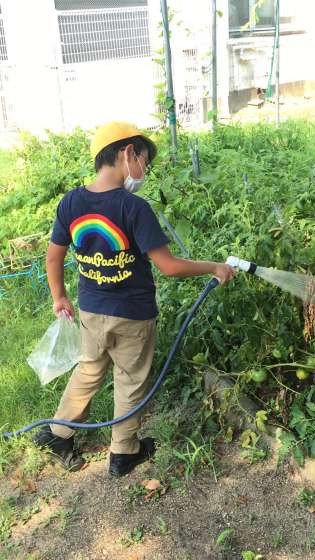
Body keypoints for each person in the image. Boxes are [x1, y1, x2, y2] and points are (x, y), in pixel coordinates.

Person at [33, 121, 235, 476]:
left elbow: (53, 257)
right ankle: (124, 452)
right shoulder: (133, 207)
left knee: (88, 369)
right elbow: (168, 266)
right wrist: (214, 266)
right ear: (128, 153)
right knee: (130, 379)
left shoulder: (71, 202)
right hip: (132, 316)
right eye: (145, 161)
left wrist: (59, 296)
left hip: (91, 311)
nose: (144, 170)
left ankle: (58, 434)